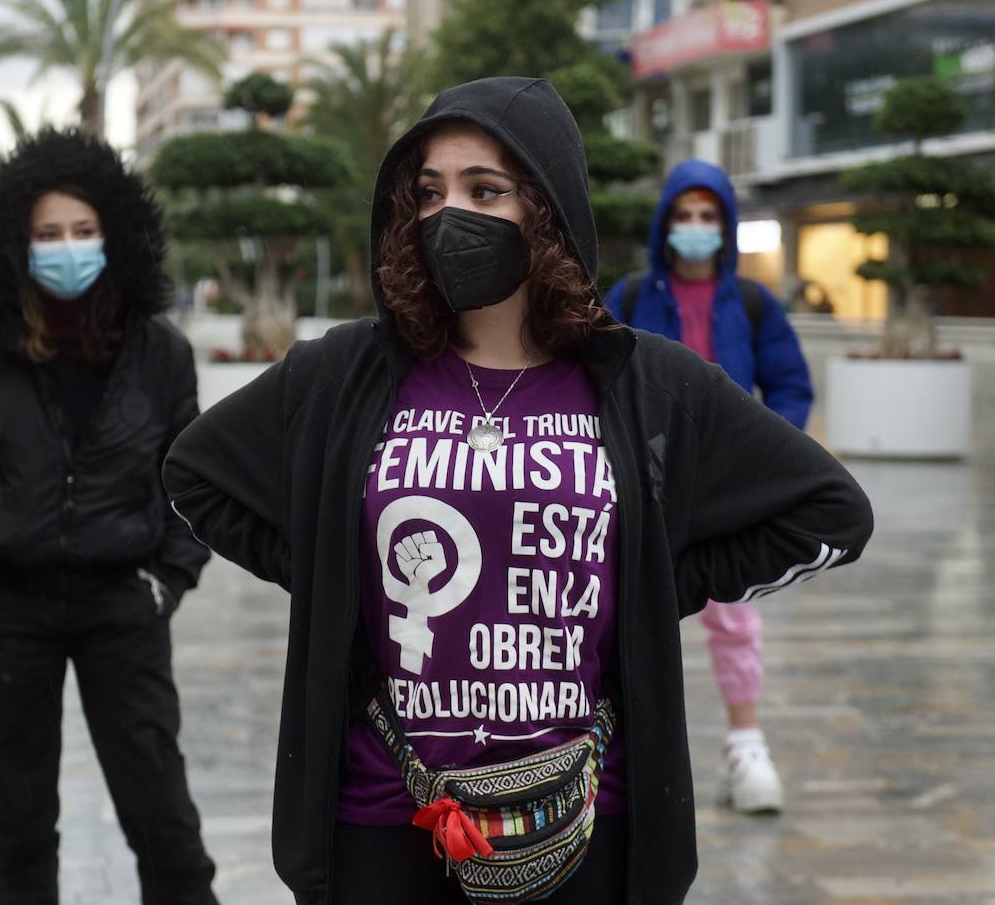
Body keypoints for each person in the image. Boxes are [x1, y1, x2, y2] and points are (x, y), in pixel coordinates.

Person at [163, 78, 873, 904]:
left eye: (484, 190)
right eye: (428, 192)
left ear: (549, 209)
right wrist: (340, 573)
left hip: (579, 820)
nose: (447, 215)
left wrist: (642, 585)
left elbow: (832, 512)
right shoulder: (343, 373)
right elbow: (195, 475)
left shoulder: (648, 384)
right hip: (382, 815)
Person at [0, 127, 217, 905]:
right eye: (49, 234)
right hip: (7, 605)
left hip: (124, 602)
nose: (67, 247)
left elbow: (192, 480)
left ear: (115, 234)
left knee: (162, 817)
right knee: (16, 825)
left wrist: (169, 579)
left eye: (83, 231)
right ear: (17, 242)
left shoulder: (160, 350)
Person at [604, 160, 814, 815]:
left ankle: (746, 744)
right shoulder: (633, 296)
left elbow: (789, 384)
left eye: (709, 216)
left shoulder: (754, 304)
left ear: (725, 226)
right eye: (684, 215)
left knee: (733, 614)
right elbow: (592, 375)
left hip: (721, 490)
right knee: (613, 613)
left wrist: (763, 456)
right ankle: (603, 749)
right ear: (666, 223)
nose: (696, 228)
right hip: (638, 486)